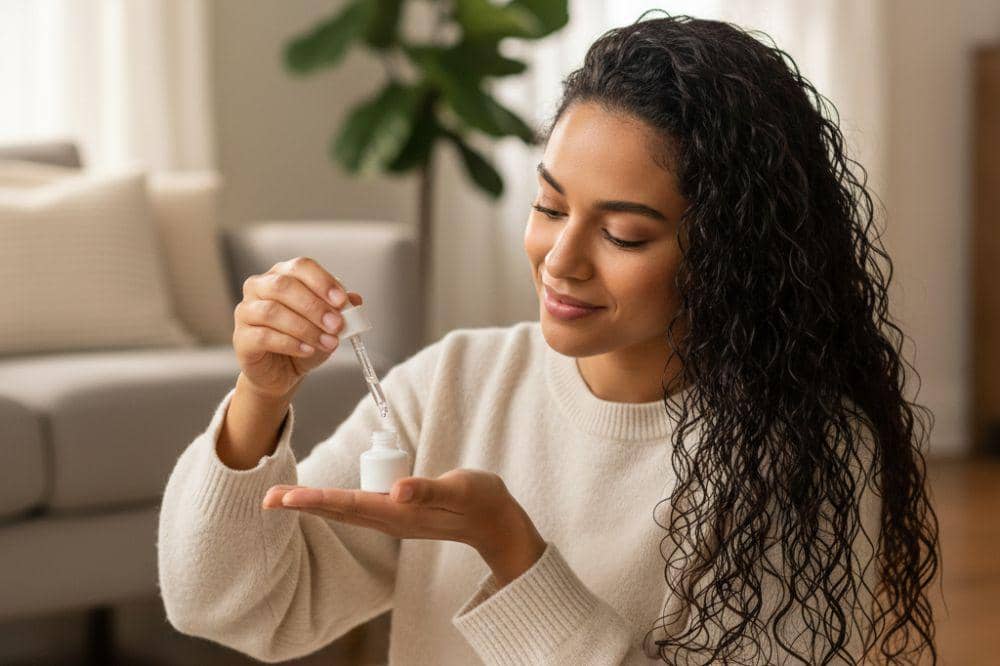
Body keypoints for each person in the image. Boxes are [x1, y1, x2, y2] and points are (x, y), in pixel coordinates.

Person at [157, 11, 940, 665]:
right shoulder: (455, 382)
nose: (560, 261)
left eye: (625, 234)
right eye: (550, 207)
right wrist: (259, 399)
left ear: (732, 253)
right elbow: (230, 606)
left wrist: (512, 552)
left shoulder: (807, 452)